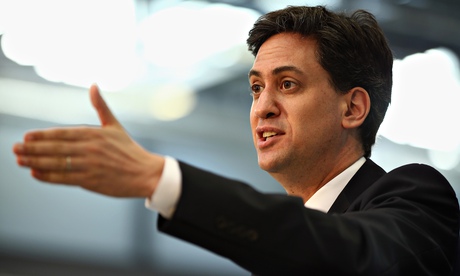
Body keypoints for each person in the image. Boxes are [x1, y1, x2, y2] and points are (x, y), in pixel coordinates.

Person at [12, 5, 459, 275]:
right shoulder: (283, 244)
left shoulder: (416, 197)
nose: (262, 107)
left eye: (287, 85)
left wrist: (161, 179)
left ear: (352, 108)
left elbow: (341, 253)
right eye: (255, 87)